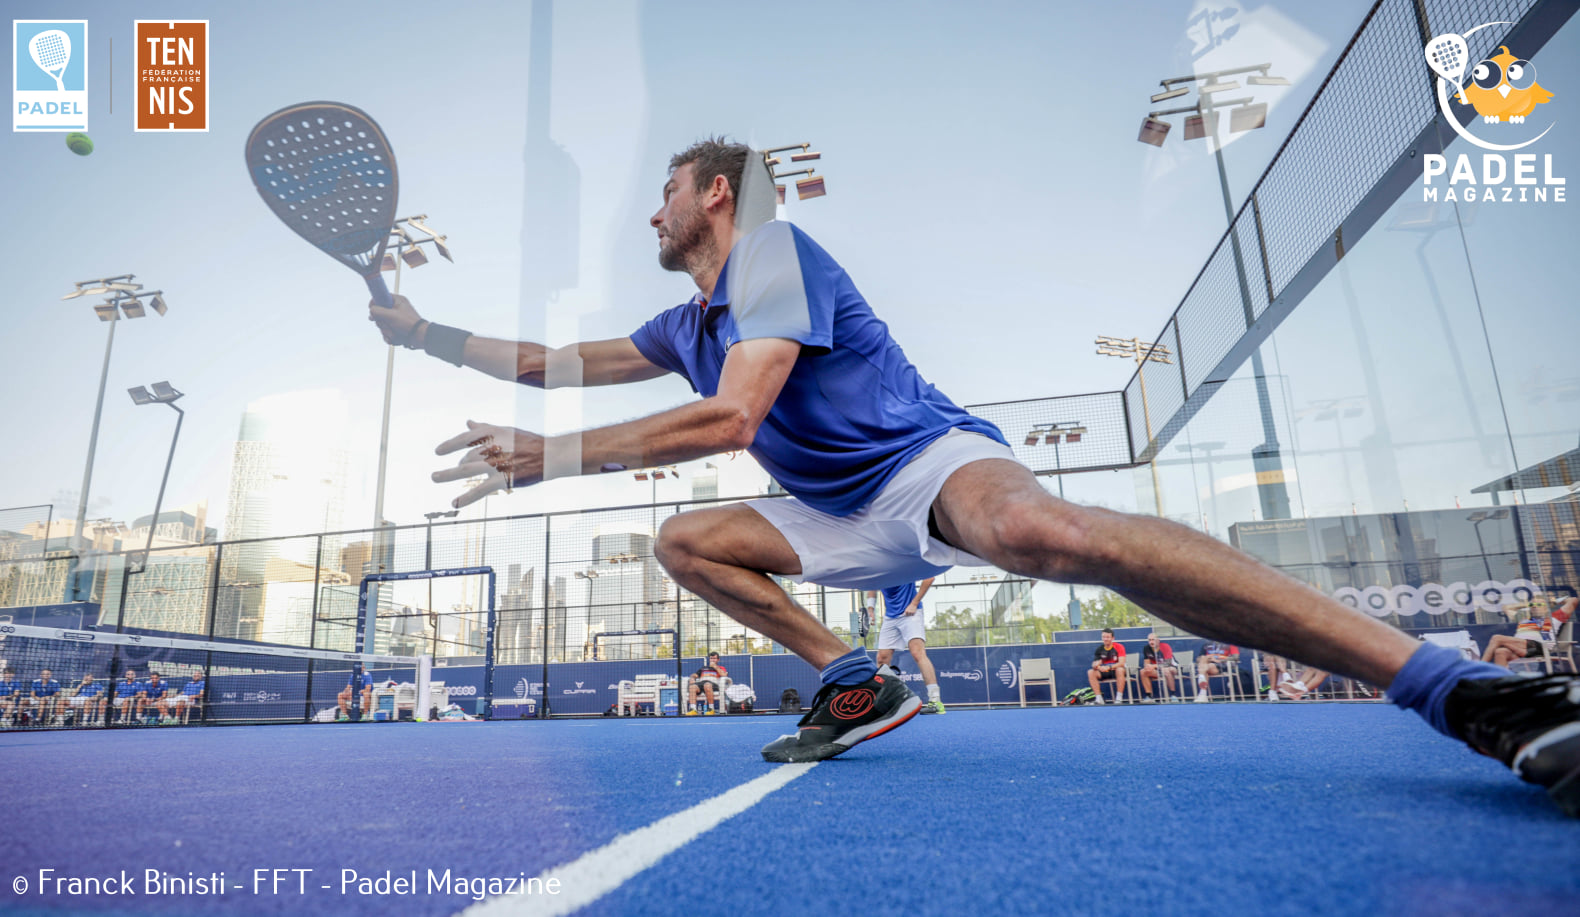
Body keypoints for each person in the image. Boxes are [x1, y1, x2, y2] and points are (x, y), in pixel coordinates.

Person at [370, 138, 1580, 812]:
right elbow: (545, 362)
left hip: (923, 463)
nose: (651, 214)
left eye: (665, 195)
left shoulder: (775, 254)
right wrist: (423, 334)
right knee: (686, 543)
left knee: (1045, 535)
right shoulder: (676, 321)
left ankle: (1459, 687)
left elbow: (735, 414)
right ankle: (854, 679)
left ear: (715, 194)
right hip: (829, 507)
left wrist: (557, 456)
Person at [870, 578, 945, 714]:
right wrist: (870, 609)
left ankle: (936, 701)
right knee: (882, 658)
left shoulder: (903, 562)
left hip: (911, 613)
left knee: (917, 653)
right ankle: (883, 702)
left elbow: (930, 577)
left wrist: (914, 603)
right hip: (890, 617)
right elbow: (872, 585)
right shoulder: (879, 567)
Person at [1483, 597, 1575, 668]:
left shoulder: (1554, 617)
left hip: (1539, 647)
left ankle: (1478, 668)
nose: (1535, 606)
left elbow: (1573, 600)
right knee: (1500, 652)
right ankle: (1502, 684)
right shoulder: (1523, 619)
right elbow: (1506, 607)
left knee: (1497, 638)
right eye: (1533, 605)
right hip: (1522, 648)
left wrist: (1555, 601)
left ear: (1547, 608)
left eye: (1539, 605)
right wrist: (1528, 604)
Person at [1088, 627, 1126, 704]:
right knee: (1091, 672)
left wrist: (1109, 667)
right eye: (1104, 637)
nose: (1105, 639)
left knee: (1120, 669)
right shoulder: (1099, 649)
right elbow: (1095, 663)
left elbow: (1122, 663)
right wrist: (1097, 666)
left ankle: (1119, 698)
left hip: (1115, 670)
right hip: (1104, 672)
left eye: (1108, 637)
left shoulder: (1119, 647)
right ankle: (1099, 699)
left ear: (1112, 638)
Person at [1138, 631, 1178, 702]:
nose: (1151, 642)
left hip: (1172, 667)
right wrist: (1147, 667)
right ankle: (1149, 696)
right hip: (1158, 670)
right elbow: (1146, 663)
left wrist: (1153, 666)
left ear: (1158, 640)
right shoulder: (1146, 648)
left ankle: (1173, 695)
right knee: (1143, 672)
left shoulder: (1165, 646)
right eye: (1149, 640)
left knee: (1166, 670)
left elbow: (1168, 663)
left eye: (1153, 640)